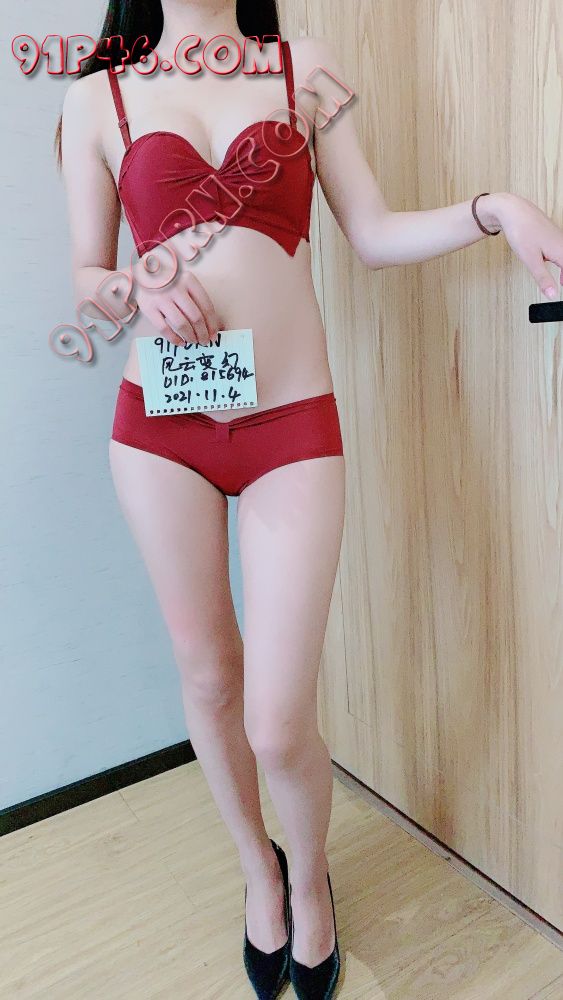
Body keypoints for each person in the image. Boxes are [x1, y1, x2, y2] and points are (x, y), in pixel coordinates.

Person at [56, 2, 563, 998]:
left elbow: (370, 233)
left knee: (278, 721)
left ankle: (310, 876)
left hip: (290, 425)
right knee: (209, 678)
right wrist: (130, 289)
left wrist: (495, 206)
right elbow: (83, 275)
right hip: (159, 433)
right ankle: (261, 872)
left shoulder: (303, 69)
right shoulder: (95, 97)